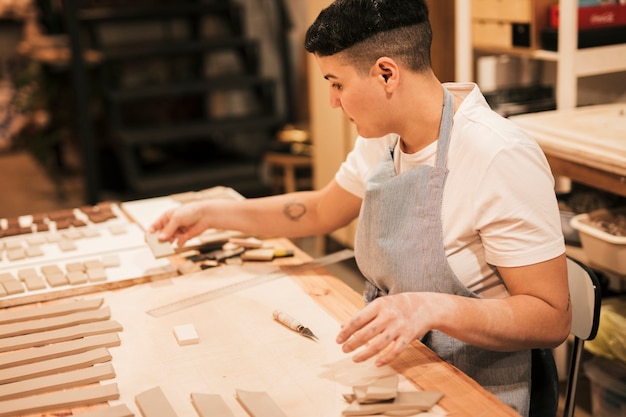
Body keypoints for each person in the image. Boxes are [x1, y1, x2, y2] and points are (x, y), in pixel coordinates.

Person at [150, 1, 571, 415]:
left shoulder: (496, 155)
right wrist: (212, 213)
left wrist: (431, 307)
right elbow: (319, 211)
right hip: (405, 366)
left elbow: (551, 318)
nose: (333, 102)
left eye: (336, 83)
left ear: (386, 73)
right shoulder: (384, 138)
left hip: (478, 388)